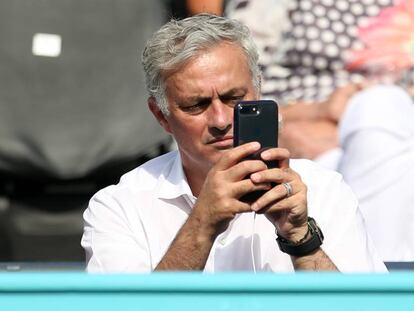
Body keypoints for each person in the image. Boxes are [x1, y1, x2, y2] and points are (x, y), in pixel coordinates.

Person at [81, 13, 386, 273]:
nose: (220, 120)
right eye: (195, 105)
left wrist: (302, 240)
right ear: (160, 115)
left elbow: (369, 305)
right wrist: (202, 224)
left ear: (259, 91)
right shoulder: (120, 207)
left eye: (234, 99)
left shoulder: (325, 190)